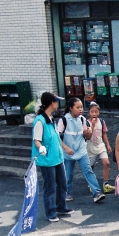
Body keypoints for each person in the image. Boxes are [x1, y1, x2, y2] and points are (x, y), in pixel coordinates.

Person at [31, 92, 72, 222]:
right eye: (56, 101)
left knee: (62, 183)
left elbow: (56, 137)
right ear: (51, 103)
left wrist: (65, 148)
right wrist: (40, 147)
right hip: (47, 159)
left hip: (57, 157)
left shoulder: (51, 118)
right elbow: (36, 139)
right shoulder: (40, 120)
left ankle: (61, 207)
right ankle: (51, 212)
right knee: (50, 187)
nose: (57, 104)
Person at [58, 97, 105, 204]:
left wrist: (91, 128)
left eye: (81, 107)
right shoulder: (64, 120)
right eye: (77, 107)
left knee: (88, 170)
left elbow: (87, 136)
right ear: (70, 108)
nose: (80, 109)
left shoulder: (82, 119)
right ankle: (66, 193)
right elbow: (57, 137)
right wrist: (66, 148)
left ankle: (96, 192)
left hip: (81, 149)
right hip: (68, 152)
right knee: (68, 174)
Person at [85, 102, 114, 194]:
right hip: (90, 147)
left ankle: (106, 184)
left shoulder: (102, 121)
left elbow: (104, 134)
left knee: (106, 163)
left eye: (96, 112)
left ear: (99, 112)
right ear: (89, 112)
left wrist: (108, 145)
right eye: (92, 112)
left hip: (100, 145)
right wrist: (92, 126)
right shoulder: (86, 123)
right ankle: (91, 183)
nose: (94, 114)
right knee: (90, 166)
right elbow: (87, 136)